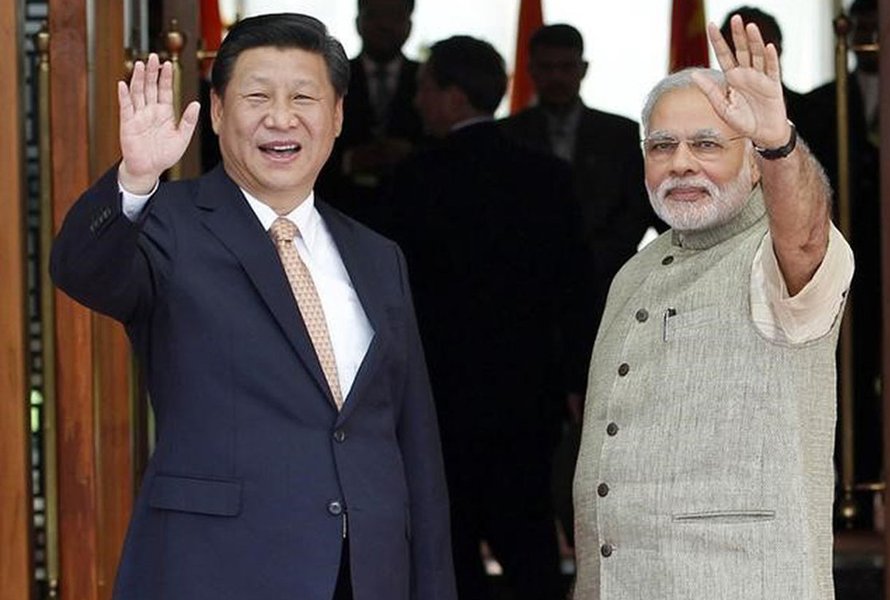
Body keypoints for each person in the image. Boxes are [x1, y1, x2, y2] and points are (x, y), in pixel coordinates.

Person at [49, 13, 454, 600]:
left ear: (337, 116)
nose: (281, 118)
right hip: (218, 570)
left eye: (304, 97)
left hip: (369, 574)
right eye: (257, 96)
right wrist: (136, 180)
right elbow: (81, 271)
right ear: (217, 111)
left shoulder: (377, 255)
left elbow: (415, 441)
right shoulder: (168, 223)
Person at [572, 15, 853, 599]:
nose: (680, 163)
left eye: (706, 144)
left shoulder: (778, 253)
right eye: (662, 146)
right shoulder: (635, 272)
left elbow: (805, 237)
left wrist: (778, 142)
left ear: (753, 163)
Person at [386, 35, 595, 600]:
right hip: (527, 394)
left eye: (426, 88)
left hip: (439, 396)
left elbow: (392, 300)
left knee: (450, 544)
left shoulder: (413, 179)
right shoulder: (546, 175)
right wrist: (577, 379)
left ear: (454, 97)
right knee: (529, 543)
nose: (418, 101)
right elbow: (575, 288)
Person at [501, 24, 660, 303]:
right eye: (547, 68)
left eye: (566, 67)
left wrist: (601, 257)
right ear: (531, 71)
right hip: (525, 284)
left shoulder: (618, 133)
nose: (556, 77)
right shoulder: (507, 134)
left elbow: (637, 206)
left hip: (608, 284)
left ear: (583, 69)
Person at [800, 0, 883, 512]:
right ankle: (853, 492)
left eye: (878, 27)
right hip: (842, 262)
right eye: (864, 27)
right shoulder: (820, 103)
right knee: (847, 377)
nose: (871, 37)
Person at [315, 0, 423, 229]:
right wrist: (349, 160)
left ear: (409, 25)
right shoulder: (328, 78)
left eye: (395, 16)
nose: (385, 25)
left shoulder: (428, 80)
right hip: (339, 211)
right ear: (358, 22)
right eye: (375, 16)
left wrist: (410, 156)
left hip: (414, 215)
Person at [718, 5, 812, 128]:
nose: (751, 56)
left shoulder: (815, 112)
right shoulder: (710, 114)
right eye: (739, 47)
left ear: (778, 49)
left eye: (760, 45)